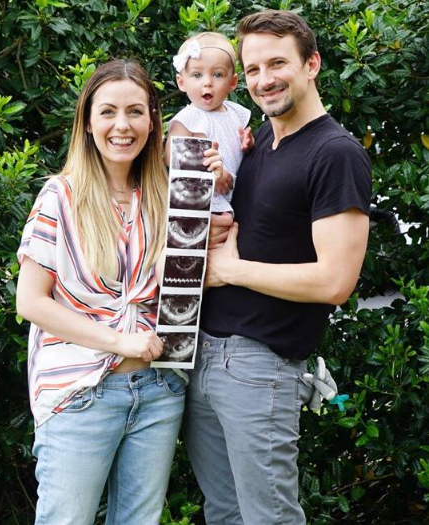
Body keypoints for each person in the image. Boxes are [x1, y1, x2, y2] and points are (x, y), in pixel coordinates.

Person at [182, 10, 372, 525]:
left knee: (269, 517)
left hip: (260, 365)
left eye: (277, 63)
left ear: (311, 64)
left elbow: (335, 281)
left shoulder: (335, 153)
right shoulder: (259, 141)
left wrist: (230, 270)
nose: (263, 79)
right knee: (223, 514)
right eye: (252, 69)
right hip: (205, 353)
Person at [16, 59, 222, 525]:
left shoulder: (172, 196)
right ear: (87, 122)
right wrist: (118, 341)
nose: (122, 125)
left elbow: (215, 257)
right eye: (108, 112)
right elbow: (30, 302)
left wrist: (217, 181)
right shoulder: (60, 196)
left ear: (153, 121)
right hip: (79, 392)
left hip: (158, 389)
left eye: (135, 111)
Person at [166, 31, 253, 213]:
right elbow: (172, 158)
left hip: (239, 195)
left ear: (233, 82)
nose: (207, 82)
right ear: (181, 82)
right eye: (197, 75)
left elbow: (238, 151)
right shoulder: (188, 119)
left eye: (218, 75)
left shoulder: (235, 112)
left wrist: (248, 145)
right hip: (205, 201)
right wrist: (211, 175)